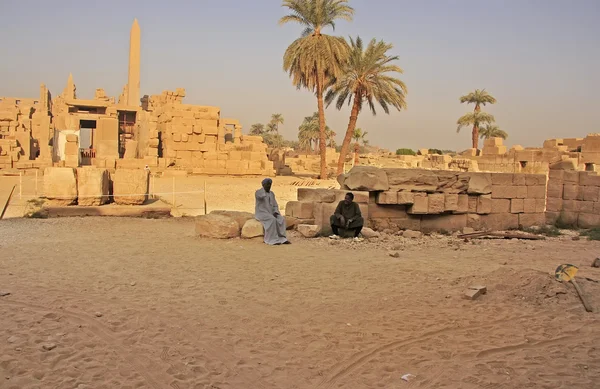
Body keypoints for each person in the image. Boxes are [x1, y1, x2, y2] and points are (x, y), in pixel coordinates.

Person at [255, 178, 290, 245]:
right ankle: (272, 239)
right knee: (272, 219)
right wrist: (264, 190)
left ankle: (282, 239)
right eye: (267, 184)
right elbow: (260, 196)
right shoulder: (259, 192)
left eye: (270, 184)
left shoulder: (272, 194)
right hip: (262, 213)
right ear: (264, 185)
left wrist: (276, 212)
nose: (269, 186)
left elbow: (275, 205)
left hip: (271, 213)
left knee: (281, 219)